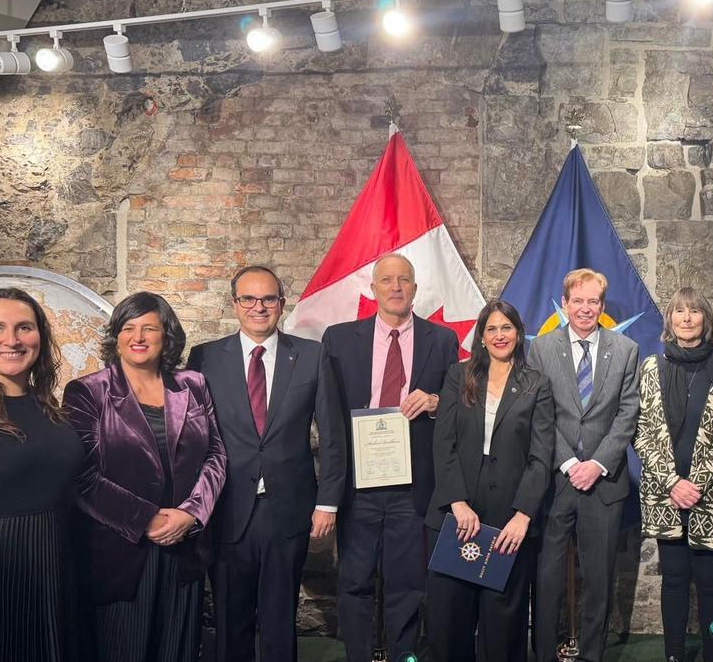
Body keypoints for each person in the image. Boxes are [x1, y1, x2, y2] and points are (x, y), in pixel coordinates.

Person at [64, 291, 227, 662]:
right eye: (128, 328)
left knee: (178, 649)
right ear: (116, 336)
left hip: (183, 545)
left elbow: (216, 455)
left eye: (149, 328)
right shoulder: (88, 392)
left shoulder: (193, 385)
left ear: (166, 336)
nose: (138, 337)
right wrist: (146, 518)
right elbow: (81, 476)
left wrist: (191, 514)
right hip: (121, 550)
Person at [187, 266, 337, 662]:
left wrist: (328, 503)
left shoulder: (311, 355)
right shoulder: (204, 358)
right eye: (248, 299)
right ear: (234, 304)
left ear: (281, 305)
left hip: (287, 510)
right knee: (230, 620)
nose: (259, 307)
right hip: (226, 507)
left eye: (268, 299)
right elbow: (194, 436)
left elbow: (334, 437)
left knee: (279, 618)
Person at [316, 253, 460, 662]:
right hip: (358, 485)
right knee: (354, 581)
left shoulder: (442, 340)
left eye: (404, 280)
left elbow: (460, 405)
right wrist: (330, 490)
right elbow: (329, 419)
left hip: (413, 487)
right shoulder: (339, 340)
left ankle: (403, 656)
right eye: (387, 280)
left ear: (415, 288)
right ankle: (359, 655)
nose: (396, 287)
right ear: (373, 288)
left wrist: (434, 401)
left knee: (408, 584)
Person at [0, 288, 84, 662]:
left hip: (50, 574)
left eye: (24, 328)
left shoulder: (49, 407)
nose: (11, 340)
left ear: (40, 338)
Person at [425, 300, 555, 662]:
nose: (500, 335)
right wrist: (457, 501)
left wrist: (523, 515)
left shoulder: (536, 385)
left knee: (503, 624)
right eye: (492, 329)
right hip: (457, 513)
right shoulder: (459, 375)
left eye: (507, 328)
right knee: (450, 620)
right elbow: (444, 442)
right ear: (481, 337)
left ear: (518, 333)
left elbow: (541, 456)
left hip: (509, 517)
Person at [531, 268, 640, 662]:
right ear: (565, 304)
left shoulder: (625, 349)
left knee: (599, 579)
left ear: (603, 306)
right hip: (555, 482)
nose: (585, 308)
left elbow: (628, 413)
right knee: (547, 578)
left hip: (604, 483)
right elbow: (538, 414)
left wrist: (597, 463)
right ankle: (544, 652)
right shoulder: (541, 349)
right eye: (577, 301)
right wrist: (569, 462)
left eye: (593, 301)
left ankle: (591, 654)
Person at [633, 288, 713, 662]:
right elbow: (641, 430)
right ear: (669, 320)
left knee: (712, 583)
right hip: (666, 495)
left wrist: (699, 480)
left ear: (705, 319)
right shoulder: (652, 366)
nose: (686, 318)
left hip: (710, 495)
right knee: (675, 581)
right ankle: (674, 654)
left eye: (694, 311)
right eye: (679, 311)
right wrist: (672, 482)